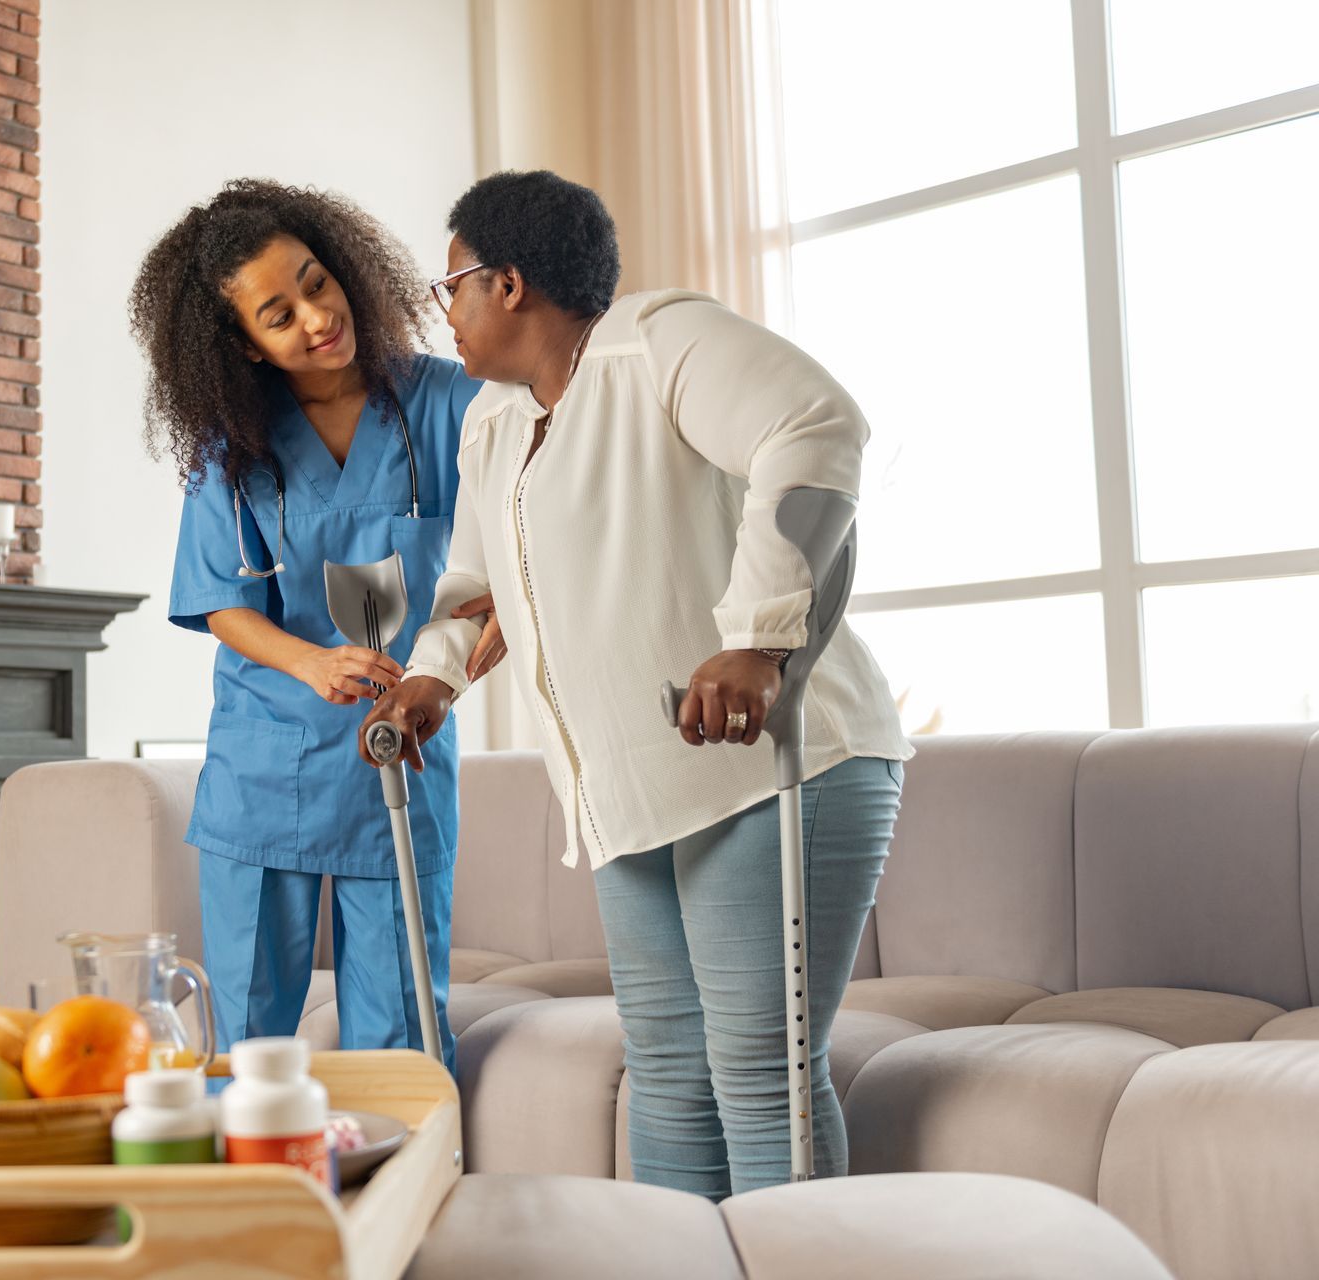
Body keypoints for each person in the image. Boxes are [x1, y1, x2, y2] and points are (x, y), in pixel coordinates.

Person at [361, 170, 912, 1194]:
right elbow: (474, 590)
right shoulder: (492, 423)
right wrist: (431, 680)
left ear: (510, 282)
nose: (447, 312)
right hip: (631, 794)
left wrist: (758, 639)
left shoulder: (657, 341)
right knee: (665, 1072)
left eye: (454, 285)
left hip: (777, 768)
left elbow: (815, 423)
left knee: (756, 1072)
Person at [132, 180, 502, 1068]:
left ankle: (403, 1200)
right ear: (246, 346)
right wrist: (310, 664)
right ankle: (249, 1199)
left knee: (402, 1031)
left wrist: (458, 667)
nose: (315, 316)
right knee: (250, 1036)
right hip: (267, 760)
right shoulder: (231, 444)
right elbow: (221, 596)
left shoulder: (447, 402)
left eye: (316, 283)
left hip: (400, 744)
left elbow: (514, 544)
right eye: (278, 313)